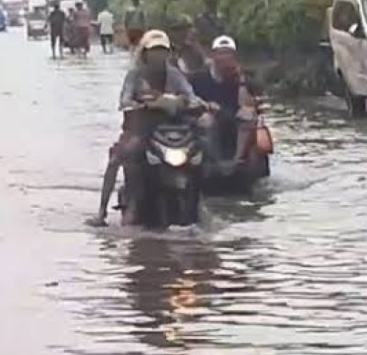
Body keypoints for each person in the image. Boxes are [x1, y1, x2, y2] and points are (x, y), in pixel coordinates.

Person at [87, 30, 206, 227]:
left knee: (202, 152)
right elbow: (124, 99)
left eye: (162, 51)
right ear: (145, 53)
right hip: (140, 128)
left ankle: (199, 204)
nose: (158, 55)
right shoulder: (135, 75)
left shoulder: (175, 74)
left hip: (174, 129)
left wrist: (189, 103)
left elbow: (190, 95)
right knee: (118, 158)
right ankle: (102, 212)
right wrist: (138, 104)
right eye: (154, 51)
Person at [189, 35, 258, 170]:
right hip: (208, 118)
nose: (225, 58)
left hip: (233, 118)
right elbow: (189, 99)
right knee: (206, 119)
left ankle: (237, 161)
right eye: (221, 53)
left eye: (228, 53)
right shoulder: (197, 78)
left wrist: (241, 80)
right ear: (213, 55)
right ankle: (213, 162)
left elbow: (246, 105)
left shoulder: (244, 78)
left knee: (248, 114)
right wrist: (206, 105)